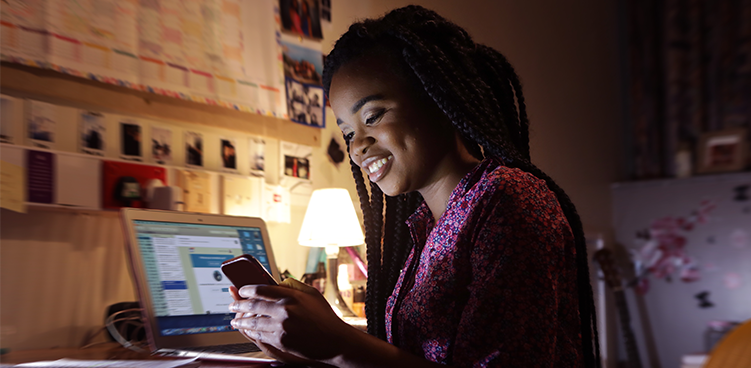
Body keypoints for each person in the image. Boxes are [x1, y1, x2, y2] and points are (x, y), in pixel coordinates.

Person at [229, 5, 600, 367]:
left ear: (439, 99)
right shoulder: (424, 227)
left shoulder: (508, 200)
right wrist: (304, 351)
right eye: (347, 133)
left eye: (373, 116)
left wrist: (338, 343)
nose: (357, 146)